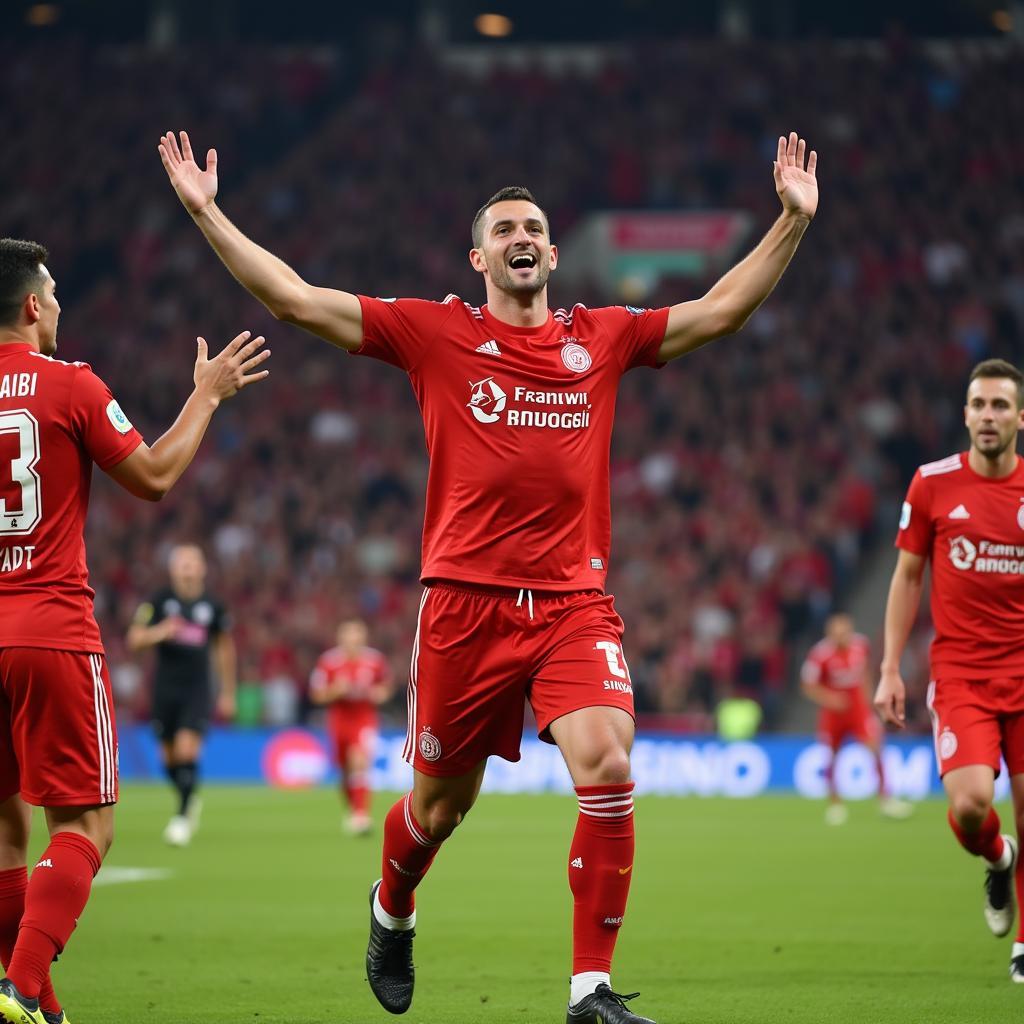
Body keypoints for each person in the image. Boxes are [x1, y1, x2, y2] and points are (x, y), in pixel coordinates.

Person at [159, 127, 817, 1024]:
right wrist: (207, 213)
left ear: (551, 250)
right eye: (504, 227)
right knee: (437, 810)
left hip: (573, 605)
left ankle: (590, 989)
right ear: (478, 255)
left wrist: (790, 221)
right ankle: (392, 908)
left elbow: (717, 312)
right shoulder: (434, 333)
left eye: (535, 227)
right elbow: (296, 300)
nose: (522, 237)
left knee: (610, 762)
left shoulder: (605, 337)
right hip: (462, 610)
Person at [0, 237, 269, 1024]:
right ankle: (18, 985)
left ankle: (39, 1006)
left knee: (7, 836)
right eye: (53, 294)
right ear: (32, 306)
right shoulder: (69, 384)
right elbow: (151, 476)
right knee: (86, 826)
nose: (59, 306)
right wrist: (207, 395)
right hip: (48, 627)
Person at [875, 358, 1024, 984]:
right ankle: (998, 858)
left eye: (1000, 406)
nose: (988, 416)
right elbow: (908, 576)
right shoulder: (932, 484)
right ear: (965, 414)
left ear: (1019, 417)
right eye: (978, 405)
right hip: (961, 673)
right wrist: (888, 667)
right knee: (968, 807)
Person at [126, 544, 236, 847]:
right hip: (164, 688)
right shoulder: (158, 602)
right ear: (173, 568)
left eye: (193, 562)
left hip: (198, 689)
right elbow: (134, 639)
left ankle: (183, 815)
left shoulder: (213, 606)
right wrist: (160, 632)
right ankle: (188, 796)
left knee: (188, 749)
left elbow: (224, 650)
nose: (188, 567)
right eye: (182, 562)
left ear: (202, 568)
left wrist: (228, 692)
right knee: (169, 758)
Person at [801, 613, 912, 825]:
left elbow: (865, 673)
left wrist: (869, 699)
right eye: (837, 633)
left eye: (845, 632)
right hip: (833, 714)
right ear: (830, 634)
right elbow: (808, 686)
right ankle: (835, 804)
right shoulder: (820, 654)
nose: (842, 636)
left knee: (876, 748)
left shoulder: (861, 645)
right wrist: (831, 699)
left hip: (858, 711)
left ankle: (885, 800)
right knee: (832, 756)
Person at [309, 618, 393, 835]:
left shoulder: (375, 660)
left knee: (360, 761)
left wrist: (380, 694)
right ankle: (353, 808)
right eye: (349, 636)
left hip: (364, 718)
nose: (353, 641)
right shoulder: (328, 662)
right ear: (341, 638)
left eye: (357, 636)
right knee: (345, 771)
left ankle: (361, 815)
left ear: (363, 638)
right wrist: (334, 691)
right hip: (339, 719)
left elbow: (385, 686)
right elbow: (316, 695)